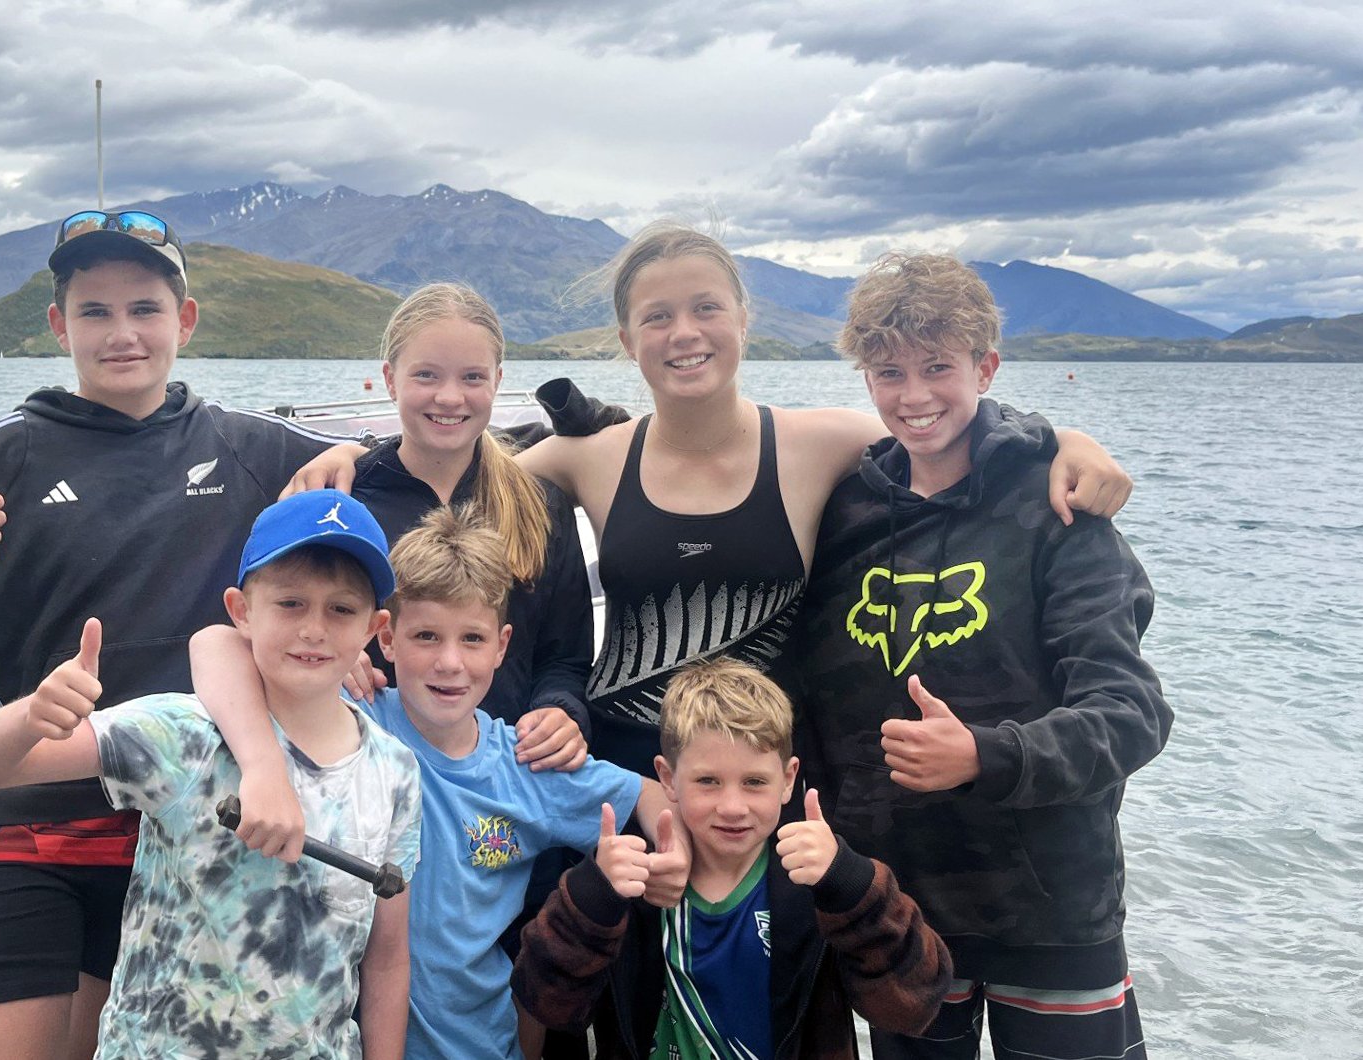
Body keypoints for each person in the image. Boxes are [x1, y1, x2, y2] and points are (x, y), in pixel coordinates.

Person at [289, 222, 1135, 783]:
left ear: (742, 318)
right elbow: (456, 448)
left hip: (764, 774)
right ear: (628, 342)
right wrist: (352, 458)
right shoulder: (590, 457)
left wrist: (1061, 441)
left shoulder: (819, 443)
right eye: (657, 317)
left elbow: (938, 425)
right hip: (621, 767)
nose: (684, 333)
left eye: (705, 308)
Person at [0, 210, 360, 1059]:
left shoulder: (252, 449)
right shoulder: (4, 457)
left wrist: (357, 453)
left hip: (177, 828)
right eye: (95, 312)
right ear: (59, 326)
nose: (122, 333)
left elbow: (445, 465)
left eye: (144, 308)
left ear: (184, 321)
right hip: (10, 815)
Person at [796, 253, 1172, 1060]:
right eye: (889, 371)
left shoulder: (1057, 508)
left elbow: (1132, 714)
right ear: (865, 378)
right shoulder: (847, 511)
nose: (915, 395)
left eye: (939, 367)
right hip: (896, 908)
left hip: (1048, 907)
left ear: (986, 366)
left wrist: (983, 754)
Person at [193, 506, 684, 1060]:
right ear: (387, 638)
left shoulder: (528, 763)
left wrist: (673, 858)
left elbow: (649, 793)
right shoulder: (353, 716)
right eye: (426, 635)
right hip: (339, 1037)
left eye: (472, 639)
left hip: (485, 1042)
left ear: (501, 646)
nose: (450, 662)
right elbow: (215, 643)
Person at [0, 487, 421, 1059]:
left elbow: (388, 953)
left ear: (374, 627)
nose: (314, 628)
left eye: (341, 609)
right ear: (241, 611)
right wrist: (29, 716)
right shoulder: (182, 733)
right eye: (290, 603)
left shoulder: (395, 771)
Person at [511, 656, 952, 1059]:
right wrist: (593, 896)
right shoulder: (635, 881)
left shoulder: (818, 882)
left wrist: (852, 885)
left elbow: (911, 1006)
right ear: (667, 777)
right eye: (708, 781)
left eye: (755, 782)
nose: (733, 807)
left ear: (788, 778)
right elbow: (545, 1002)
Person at [346, 282, 594, 772]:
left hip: (507, 785)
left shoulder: (539, 505)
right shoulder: (348, 504)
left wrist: (562, 712)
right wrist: (335, 658)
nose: (450, 396)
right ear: (390, 380)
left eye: (473, 377)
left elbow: (564, 657)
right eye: (426, 375)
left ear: (498, 381)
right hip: (372, 782)